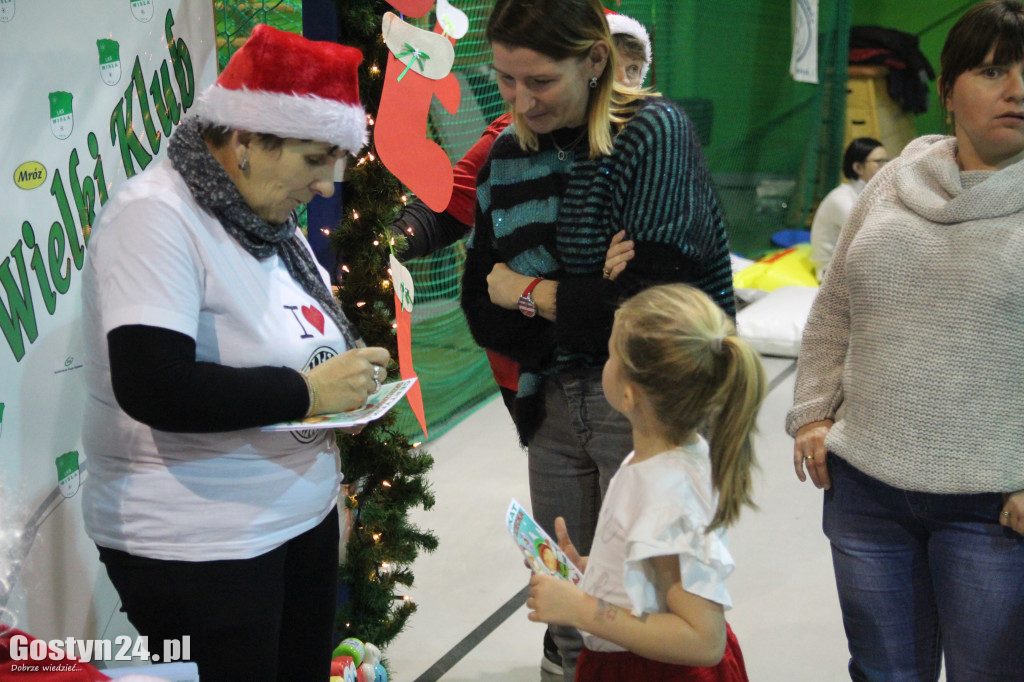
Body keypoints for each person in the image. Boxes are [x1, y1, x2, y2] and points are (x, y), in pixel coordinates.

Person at [80, 25, 390, 681]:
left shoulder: (260, 216)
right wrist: (309, 394)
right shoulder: (156, 217)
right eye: (314, 160)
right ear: (247, 139)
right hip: (202, 545)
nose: (328, 186)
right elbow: (155, 385)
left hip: (291, 522)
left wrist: (346, 390)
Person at [461, 1, 734, 678]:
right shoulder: (505, 154)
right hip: (551, 398)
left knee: (651, 598)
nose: (521, 100)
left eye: (541, 82)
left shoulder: (651, 133)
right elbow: (480, 306)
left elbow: (650, 305)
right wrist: (591, 292)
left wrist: (529, 291)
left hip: (642, 401)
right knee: (573, 593)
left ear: (594, 61)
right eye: (505, 80)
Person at [788, 2, 1024, 679]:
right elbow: (835, 307)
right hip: (866, 493)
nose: (1018, 89)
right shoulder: (892, 183)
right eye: (993, 70)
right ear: (947, 91)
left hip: (994, 507)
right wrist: (812, 411)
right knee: (884, 673)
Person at [526, 283, 763, 681]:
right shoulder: (665, 460)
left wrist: (583, 610)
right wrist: (599, 574)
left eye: (611, 354)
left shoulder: (666, 494)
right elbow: (659, 576)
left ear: (630, 394)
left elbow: (704, 640)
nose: (605, 362)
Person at [389, 9, 653, 262]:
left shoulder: (646, 143)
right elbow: (447, 212)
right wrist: (383, 246)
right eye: (612, 65)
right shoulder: (517, 134)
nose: (623, 80)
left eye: (633, 69)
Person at [808, 137, 888, 281]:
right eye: (878, 162)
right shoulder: (841, 199)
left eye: (886, 162)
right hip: (831, 273)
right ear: (858, 167)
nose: (885, 167)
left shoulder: (871, 193)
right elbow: (871, 240)